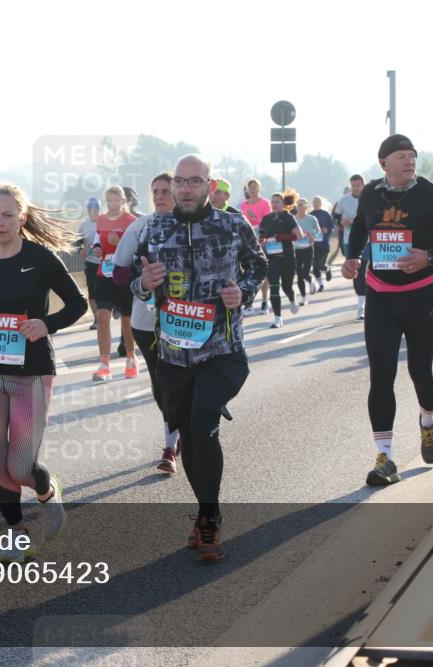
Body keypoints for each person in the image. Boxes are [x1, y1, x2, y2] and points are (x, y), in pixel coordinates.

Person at [134, 154, 266, 561]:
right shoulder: (154, 228)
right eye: (179, 182)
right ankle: (205, 513)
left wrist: (242, 291)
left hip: (222, 351)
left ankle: (209, 520)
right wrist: (143, 283)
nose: (186, 188)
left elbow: (258, 264)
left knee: (203, 421)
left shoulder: (231, 224)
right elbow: (135, 282)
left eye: (194, 181)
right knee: (189, 433)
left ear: (209, 185)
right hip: (173, 355)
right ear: (172, 187)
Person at [0, 183, 85, 563]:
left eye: (7, 215)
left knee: (20, 466)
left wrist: (46, 324)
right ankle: (16, 531)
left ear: (22, 217)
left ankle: (46, 489)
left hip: (32, 372)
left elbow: (78, 302)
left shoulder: (40, 259)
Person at [342, 134, 433, 487]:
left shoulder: (429, 193)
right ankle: (384, 457)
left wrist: (428, 257)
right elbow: (358, 227)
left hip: (422, 294)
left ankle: (428, 421)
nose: (410, 161)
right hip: (381, 296)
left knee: (420, 371)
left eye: (413, 156)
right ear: (384, 162)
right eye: (402, 156)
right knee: (381, 375)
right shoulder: (371, 193)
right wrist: (352, 257)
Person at [113, 173, 181, 474]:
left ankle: (172, 444)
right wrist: (142, 280)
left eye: (166, 190)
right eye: (156, 191)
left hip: (187, 320)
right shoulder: (140, 226)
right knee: (161, 384)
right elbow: (117, 272)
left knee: (182, 380)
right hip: (146, 320)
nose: (160, 196)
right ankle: (174, 435)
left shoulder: (196, 227)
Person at [90, 185, 137, 381]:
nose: (112, 204)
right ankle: (104, 364)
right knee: (102, 316)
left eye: (115, 200)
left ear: (123, 201)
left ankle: (131, 358)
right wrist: (98, 249)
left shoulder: (131, 221)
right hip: (104, 273)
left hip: (123, 273)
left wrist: (119, 244)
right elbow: (96, 240)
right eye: (108, 200)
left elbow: (136, 250)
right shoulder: (100, 220)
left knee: (127, 319)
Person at [259, 193, 303, 328]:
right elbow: (262, 235)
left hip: (288, 258)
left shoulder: (288, 217)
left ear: (283, 203)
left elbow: (299, 235)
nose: (274, 204)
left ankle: (291, 297)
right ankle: (278, 318)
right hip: (271, 259)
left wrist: (281, 237)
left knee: (286, 286)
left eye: (277, 202)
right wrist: (262, 240)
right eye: (272, 202)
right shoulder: (266, 219)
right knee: (274, 287)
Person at [334, 175, 366, 318]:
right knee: (357, 270)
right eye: (353, 186)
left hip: (372, 241)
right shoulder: (343, 200)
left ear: (363, 185)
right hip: (350, 240)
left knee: (373, 269)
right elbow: (335, 217)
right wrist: (342, 223)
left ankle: (372, 301)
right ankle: (361, 305)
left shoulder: (370, 197)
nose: (356, 188)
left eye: (358, 185)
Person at [241, 178, 271, 315]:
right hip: (246, 242)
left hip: (262, 241)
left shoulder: (265, 203)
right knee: (246, 272)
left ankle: (265, 301)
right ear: (247, 189)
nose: (252, 189)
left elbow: (268, 224)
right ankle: (249, 303)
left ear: (259, 188)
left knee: (262, 272)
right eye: (250, 187)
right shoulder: (243, 205)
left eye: (255, 186)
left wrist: (255, 219)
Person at [77, 198, 102, 329]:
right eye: (91, 210)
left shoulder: (104, 221)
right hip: (91, 262)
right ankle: (97, 319)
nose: (93, 212)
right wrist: (80, 250)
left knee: (104, 291)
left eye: (96, 209)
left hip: (105, 262)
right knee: (92, 292)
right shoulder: (84, 224)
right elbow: (77, 241)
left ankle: (111, 309)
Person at [293, 198, 322, 305]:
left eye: (301, 205)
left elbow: (318, 231)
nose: (299, 207)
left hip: (308, 248)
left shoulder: (311, 218)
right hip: (296, 249)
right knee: (299, 275)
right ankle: (304, 298)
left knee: (305, 272)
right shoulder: (293, 219)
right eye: (298, 205)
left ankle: (310, 280)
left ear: (305, 207)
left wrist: (313, 236)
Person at [310, 196, 334, 288]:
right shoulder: (310, 215)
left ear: (321, 203)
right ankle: (321, 284)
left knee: (320, 264)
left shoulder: (326, 214)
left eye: (318, 202)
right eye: (314, 202)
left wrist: (327, 230)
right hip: (313, 244)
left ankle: (326, 269)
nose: (316, 203)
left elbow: (332, 226)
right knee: (315, 267)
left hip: (324, 244)